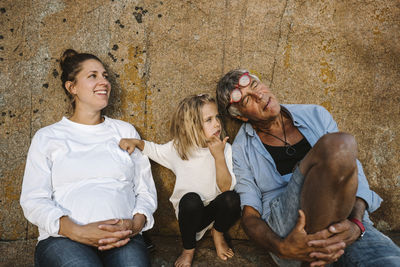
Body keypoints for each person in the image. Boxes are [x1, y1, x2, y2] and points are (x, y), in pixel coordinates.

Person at [216, 69, 400, 266]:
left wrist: (356, 224)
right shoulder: (242, 149)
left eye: (254, 85)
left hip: (344, 220)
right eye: (247, 101)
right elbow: (250, 217)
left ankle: (320, 253)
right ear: (242, 117)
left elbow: (354, 173)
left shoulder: (315, 114)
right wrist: (282, 247)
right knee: (338, 144)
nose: (259, 96)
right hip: (289, 229)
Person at [20, 49, 157, 267]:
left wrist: (135, 224)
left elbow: (145, 189)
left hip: (123, 236)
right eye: (92, 76)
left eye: (105, 76)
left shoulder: (125, 131)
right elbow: (33, 199)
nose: (103, 81)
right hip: (64, 240)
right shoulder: (48, 137)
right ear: (71, 87)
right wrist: (77, 231)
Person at [119, 94, 241, 267]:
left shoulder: (224, 149)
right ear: (192, 125)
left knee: (232, 198)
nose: (217, 123)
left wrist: (219, 157)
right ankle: (188, 249)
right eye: (208, 120)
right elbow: (155, 150)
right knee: (191, 200)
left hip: (214, 212)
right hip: (190, 214)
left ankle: (218, 232)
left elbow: (225, 187)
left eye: (217, 117)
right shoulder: (179, 148)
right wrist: (137, 142)